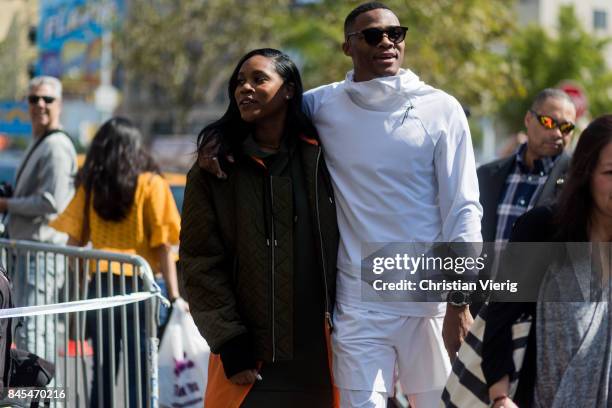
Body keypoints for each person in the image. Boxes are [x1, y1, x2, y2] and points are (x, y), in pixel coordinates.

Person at [199, 3, 482, 407]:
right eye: (371, 35)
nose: (386, 42)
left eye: (395, 33)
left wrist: (460, 303)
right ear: (347, 47)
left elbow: (464, 210)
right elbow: (266, 111)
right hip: (357, 304)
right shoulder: (322, 105)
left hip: (429, 302)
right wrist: (215, 140)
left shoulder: (442, 109)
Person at [180, 48, 338, 407]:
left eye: (258, 79)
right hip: (249, 365)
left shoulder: (323, 155)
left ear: (289, 90)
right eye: (238, 82)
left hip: (325, 362)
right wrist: (229, 342)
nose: (244, 89)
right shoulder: (216, 169)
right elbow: (199, 261)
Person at [50, 117, 182, 408]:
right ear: (135, 147)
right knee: (140, 370)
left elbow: (74, 243)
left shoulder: (93, 186)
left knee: (102, 369)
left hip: (101, 288)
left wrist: (76, 286)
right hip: (140, 289)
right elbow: (163, 244)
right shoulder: (152, 184)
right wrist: (174, 295)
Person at [482, 114, 612, 408]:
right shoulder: (543, 229)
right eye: (611, 173)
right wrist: (500, 397)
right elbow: (500, 318)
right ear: (586, 173)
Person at [0, 76, 77, 362]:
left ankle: (42, 400)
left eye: (47, 99)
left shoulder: (56, 146)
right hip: (29, 251)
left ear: (60, 105)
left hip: (41, 253)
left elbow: (51, 202)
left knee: (34, 329)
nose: (40, 105)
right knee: (27, 328)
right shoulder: (40, 142)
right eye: (33, 99)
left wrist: (7, 203)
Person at [478, 88, 576, 243]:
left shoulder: (577, 181)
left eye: (566, 127)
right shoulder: (487, 175)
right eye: (548, 122)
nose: (557, 133)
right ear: (528, 119)